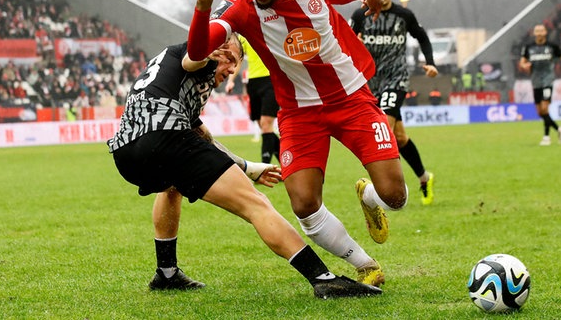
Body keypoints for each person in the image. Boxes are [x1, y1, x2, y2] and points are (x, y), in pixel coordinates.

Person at [186, 0, 410, 288]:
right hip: (298, 113)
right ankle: (365, 264)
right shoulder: (240, 3)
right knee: (304, 203)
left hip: (351, 98)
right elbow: (198, 50)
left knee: (395, 197)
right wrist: (202, 6)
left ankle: (368, 196)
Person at [107, 37, 380, 299]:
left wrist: (248, 167)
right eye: (233, 60)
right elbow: (196, 56)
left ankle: (166, 273)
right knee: (256, 204)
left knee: (172, 187)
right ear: (220, 49)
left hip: (126, 152)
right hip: (167, 138)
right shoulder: (199, 55)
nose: (233, 70)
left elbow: (202, 136)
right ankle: (323, 279)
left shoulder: (167, 65)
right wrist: (205, 6)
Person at [350, 0, 438, 206]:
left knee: (383, 128)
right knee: (399, 137)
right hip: (369, 82)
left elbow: (422, 37)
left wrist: (430, 62)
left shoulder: (404, 15)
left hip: (396, 79)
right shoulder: (360, 15)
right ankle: (424, 178)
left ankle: (382, 191)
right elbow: (344, 41)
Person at [519, 23, 561, 146]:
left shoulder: (552, 47)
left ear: (545, 32)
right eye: (537, 31)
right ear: (534, 33)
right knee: (540, 112)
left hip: (547, 80)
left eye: (541, 30)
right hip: (535, 81)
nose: (539, 33)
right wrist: (525, 65)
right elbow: (522, 63)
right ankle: (559, 129)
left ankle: (546, 137)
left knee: (545, 107)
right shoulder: (529, 47)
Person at [226, 34, 280, 163]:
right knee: (263, 127)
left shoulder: (271, 31)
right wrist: (230, 81)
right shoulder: (244, 37)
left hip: (271, 81)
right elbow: (238, 60)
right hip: (253, 83)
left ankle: (264, 167)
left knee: (266, 124)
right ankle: (287, 164)